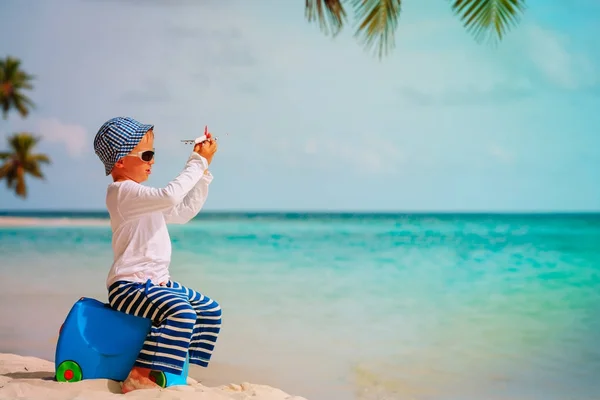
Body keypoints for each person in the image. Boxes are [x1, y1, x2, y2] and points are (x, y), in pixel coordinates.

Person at [93, 116, 222, 393]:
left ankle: (173, 365)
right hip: (129, 287)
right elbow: (171, 196)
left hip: (158, 283)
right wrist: (196, 161)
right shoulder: (121, 193)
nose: (152, 161)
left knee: (210, 310)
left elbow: (182, 212)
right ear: (120, 161)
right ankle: (139, 375)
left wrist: (204, 171)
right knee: (182, 313)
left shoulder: (140, 195)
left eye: (153, 154)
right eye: (147, 154)